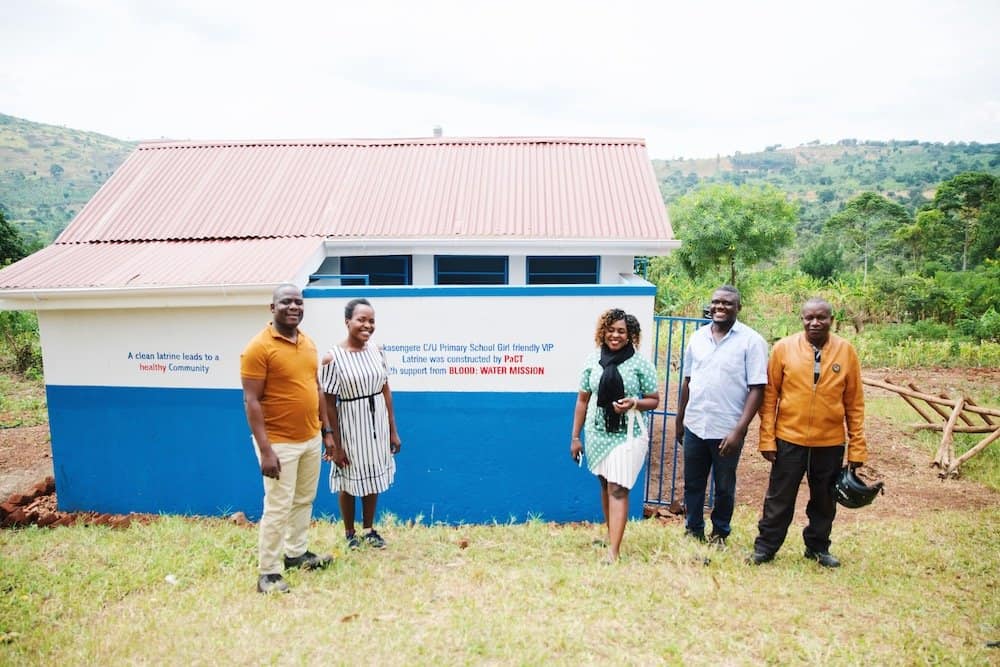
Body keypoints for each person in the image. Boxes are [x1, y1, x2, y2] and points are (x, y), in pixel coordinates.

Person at [748, 297, 868, 568]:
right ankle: (765, 548)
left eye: (821, 318)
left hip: (830, 441)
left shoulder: (846, 351)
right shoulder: (783, 348)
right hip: (789, 439)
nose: (815, 322)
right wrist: (767, 438)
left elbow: (855, 404)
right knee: (779, 498)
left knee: (824, 500)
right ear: (801, 319)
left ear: (832, 320)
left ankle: (817, 547)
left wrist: (857, 448)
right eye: (809, 318)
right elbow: (769, 399)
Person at [240, 284, 335, 594]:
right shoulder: (258, 347)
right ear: (272, 308)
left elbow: (316, 389)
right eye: (286, 302)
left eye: (298, 302)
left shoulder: (307, 342)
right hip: (278, 443)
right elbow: (251, 401)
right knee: (278, 506)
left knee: (303, 499)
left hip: (310, 438)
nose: (294, 307)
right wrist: (266, 450)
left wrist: (327, 432)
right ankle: (268, 573)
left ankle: (296, 553)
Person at [675, 285, 768, 547]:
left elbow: (758, 388)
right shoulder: (697, 338)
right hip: (695, 423)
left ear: (738, 307)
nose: (720, 307)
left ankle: (720, 533)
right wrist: (679, 420)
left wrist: (739, 430)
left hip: (727, 427)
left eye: (727, 303)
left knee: (724, 485)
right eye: (716, 302)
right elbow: (688, 381)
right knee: (693, 483)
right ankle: (693, 529)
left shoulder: (752, 341)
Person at [570, 309, 660, 562]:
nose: (615, 335)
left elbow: (654, 400)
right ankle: (612, 536)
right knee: (605, 483)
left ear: (631, 334)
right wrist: (575, 437)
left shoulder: (641, 364)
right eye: (611, 330)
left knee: (618, 488)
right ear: (603, 332)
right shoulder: (592, 360)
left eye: (621, 331)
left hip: (628, 434)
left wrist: (634, 403)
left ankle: (614, 552)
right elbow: (582, 400)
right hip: (597, 432)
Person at [321, 298, 402, 549]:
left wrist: (392, 430)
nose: (367, 325)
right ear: (348, 322)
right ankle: (349, 533)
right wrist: (334, 440)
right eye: (361, 319)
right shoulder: (332, 358)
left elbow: (385, 390)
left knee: (373, 476)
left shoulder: (377, 351)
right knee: (349, 478)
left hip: (377, 424)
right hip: (350, 425)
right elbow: (328, 401)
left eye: (371, 321)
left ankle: (369, 529)